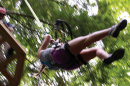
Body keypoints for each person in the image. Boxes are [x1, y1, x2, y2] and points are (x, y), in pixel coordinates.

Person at [35, 19, 127, 76]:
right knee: (88, 39)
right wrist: (48, 37)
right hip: (60, 55)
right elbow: (47, 37)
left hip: (69, 65)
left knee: (95, 51)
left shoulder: (49, 63)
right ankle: (111, 30)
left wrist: (54, 42)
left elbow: (56, 51)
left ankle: (107, 58)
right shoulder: (40, 53)